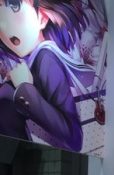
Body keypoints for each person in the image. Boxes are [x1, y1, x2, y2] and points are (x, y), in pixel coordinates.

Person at [0, 0, 91, 151]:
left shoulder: (46, 58)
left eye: (14, 6)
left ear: (42, 18)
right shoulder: (33, 62)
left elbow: (74, 138)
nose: (3, 24)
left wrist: (24, 87)